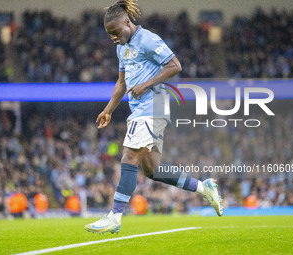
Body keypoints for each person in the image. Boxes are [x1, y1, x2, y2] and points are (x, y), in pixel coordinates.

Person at [85, 0, 223, 234]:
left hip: (154, 106)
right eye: (110, 35)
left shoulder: (148, 39)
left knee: (129, 156)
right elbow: (121, 83)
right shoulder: (122, 47)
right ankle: (204, 187)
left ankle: (115, 216)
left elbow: (175, 65)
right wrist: (108, 109)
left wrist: (147, 83)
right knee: (152, 170)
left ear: (127, 22)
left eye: (116, 32)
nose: (114, 38)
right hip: (141, 109)